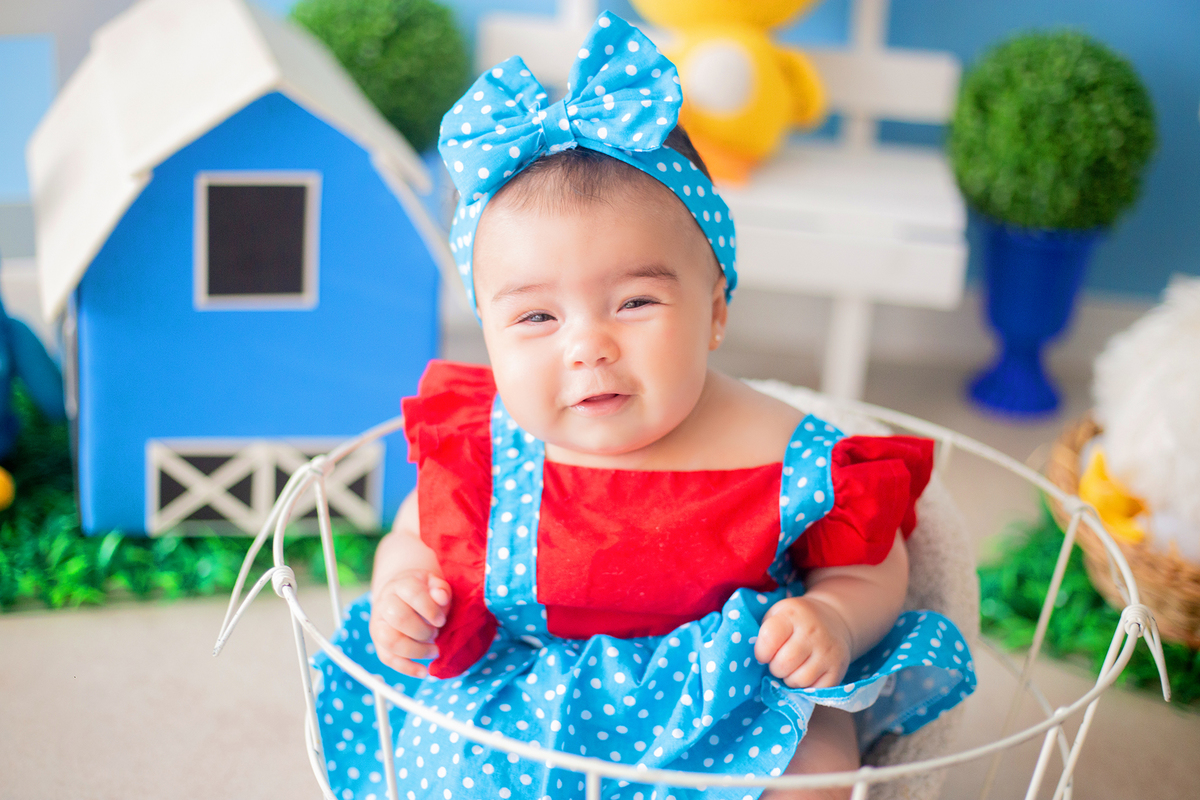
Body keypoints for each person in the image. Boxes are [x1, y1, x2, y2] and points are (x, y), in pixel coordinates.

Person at [315, 13, 975, 800]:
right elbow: (417, 539)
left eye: (634, 302)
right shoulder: (484, 441)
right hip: (524, 697)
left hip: (733, 700)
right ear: (487, 332)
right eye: (535, 317)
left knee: (819, 770)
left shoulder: (788, 449)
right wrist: (404, 589)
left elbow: (869, 567)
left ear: (716, 309)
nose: (588, 346)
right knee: (446, 761)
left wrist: (833, 617)